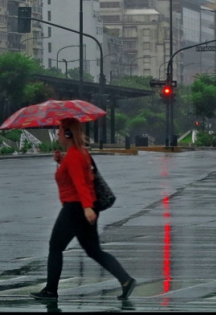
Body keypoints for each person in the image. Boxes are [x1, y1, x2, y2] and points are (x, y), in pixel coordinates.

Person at [31, 117, 136, 302]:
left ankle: (50, 290)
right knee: (94, 250)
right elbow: (81, 176)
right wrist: (61, 160)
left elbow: (81, 184)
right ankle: (126, 280)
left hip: (75, 207)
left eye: (61, 130)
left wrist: (87, 207)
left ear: (69, 133)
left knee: (55, 247)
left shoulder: (74, 156)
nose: (58, 134)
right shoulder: (78, 153)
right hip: (82, 207)